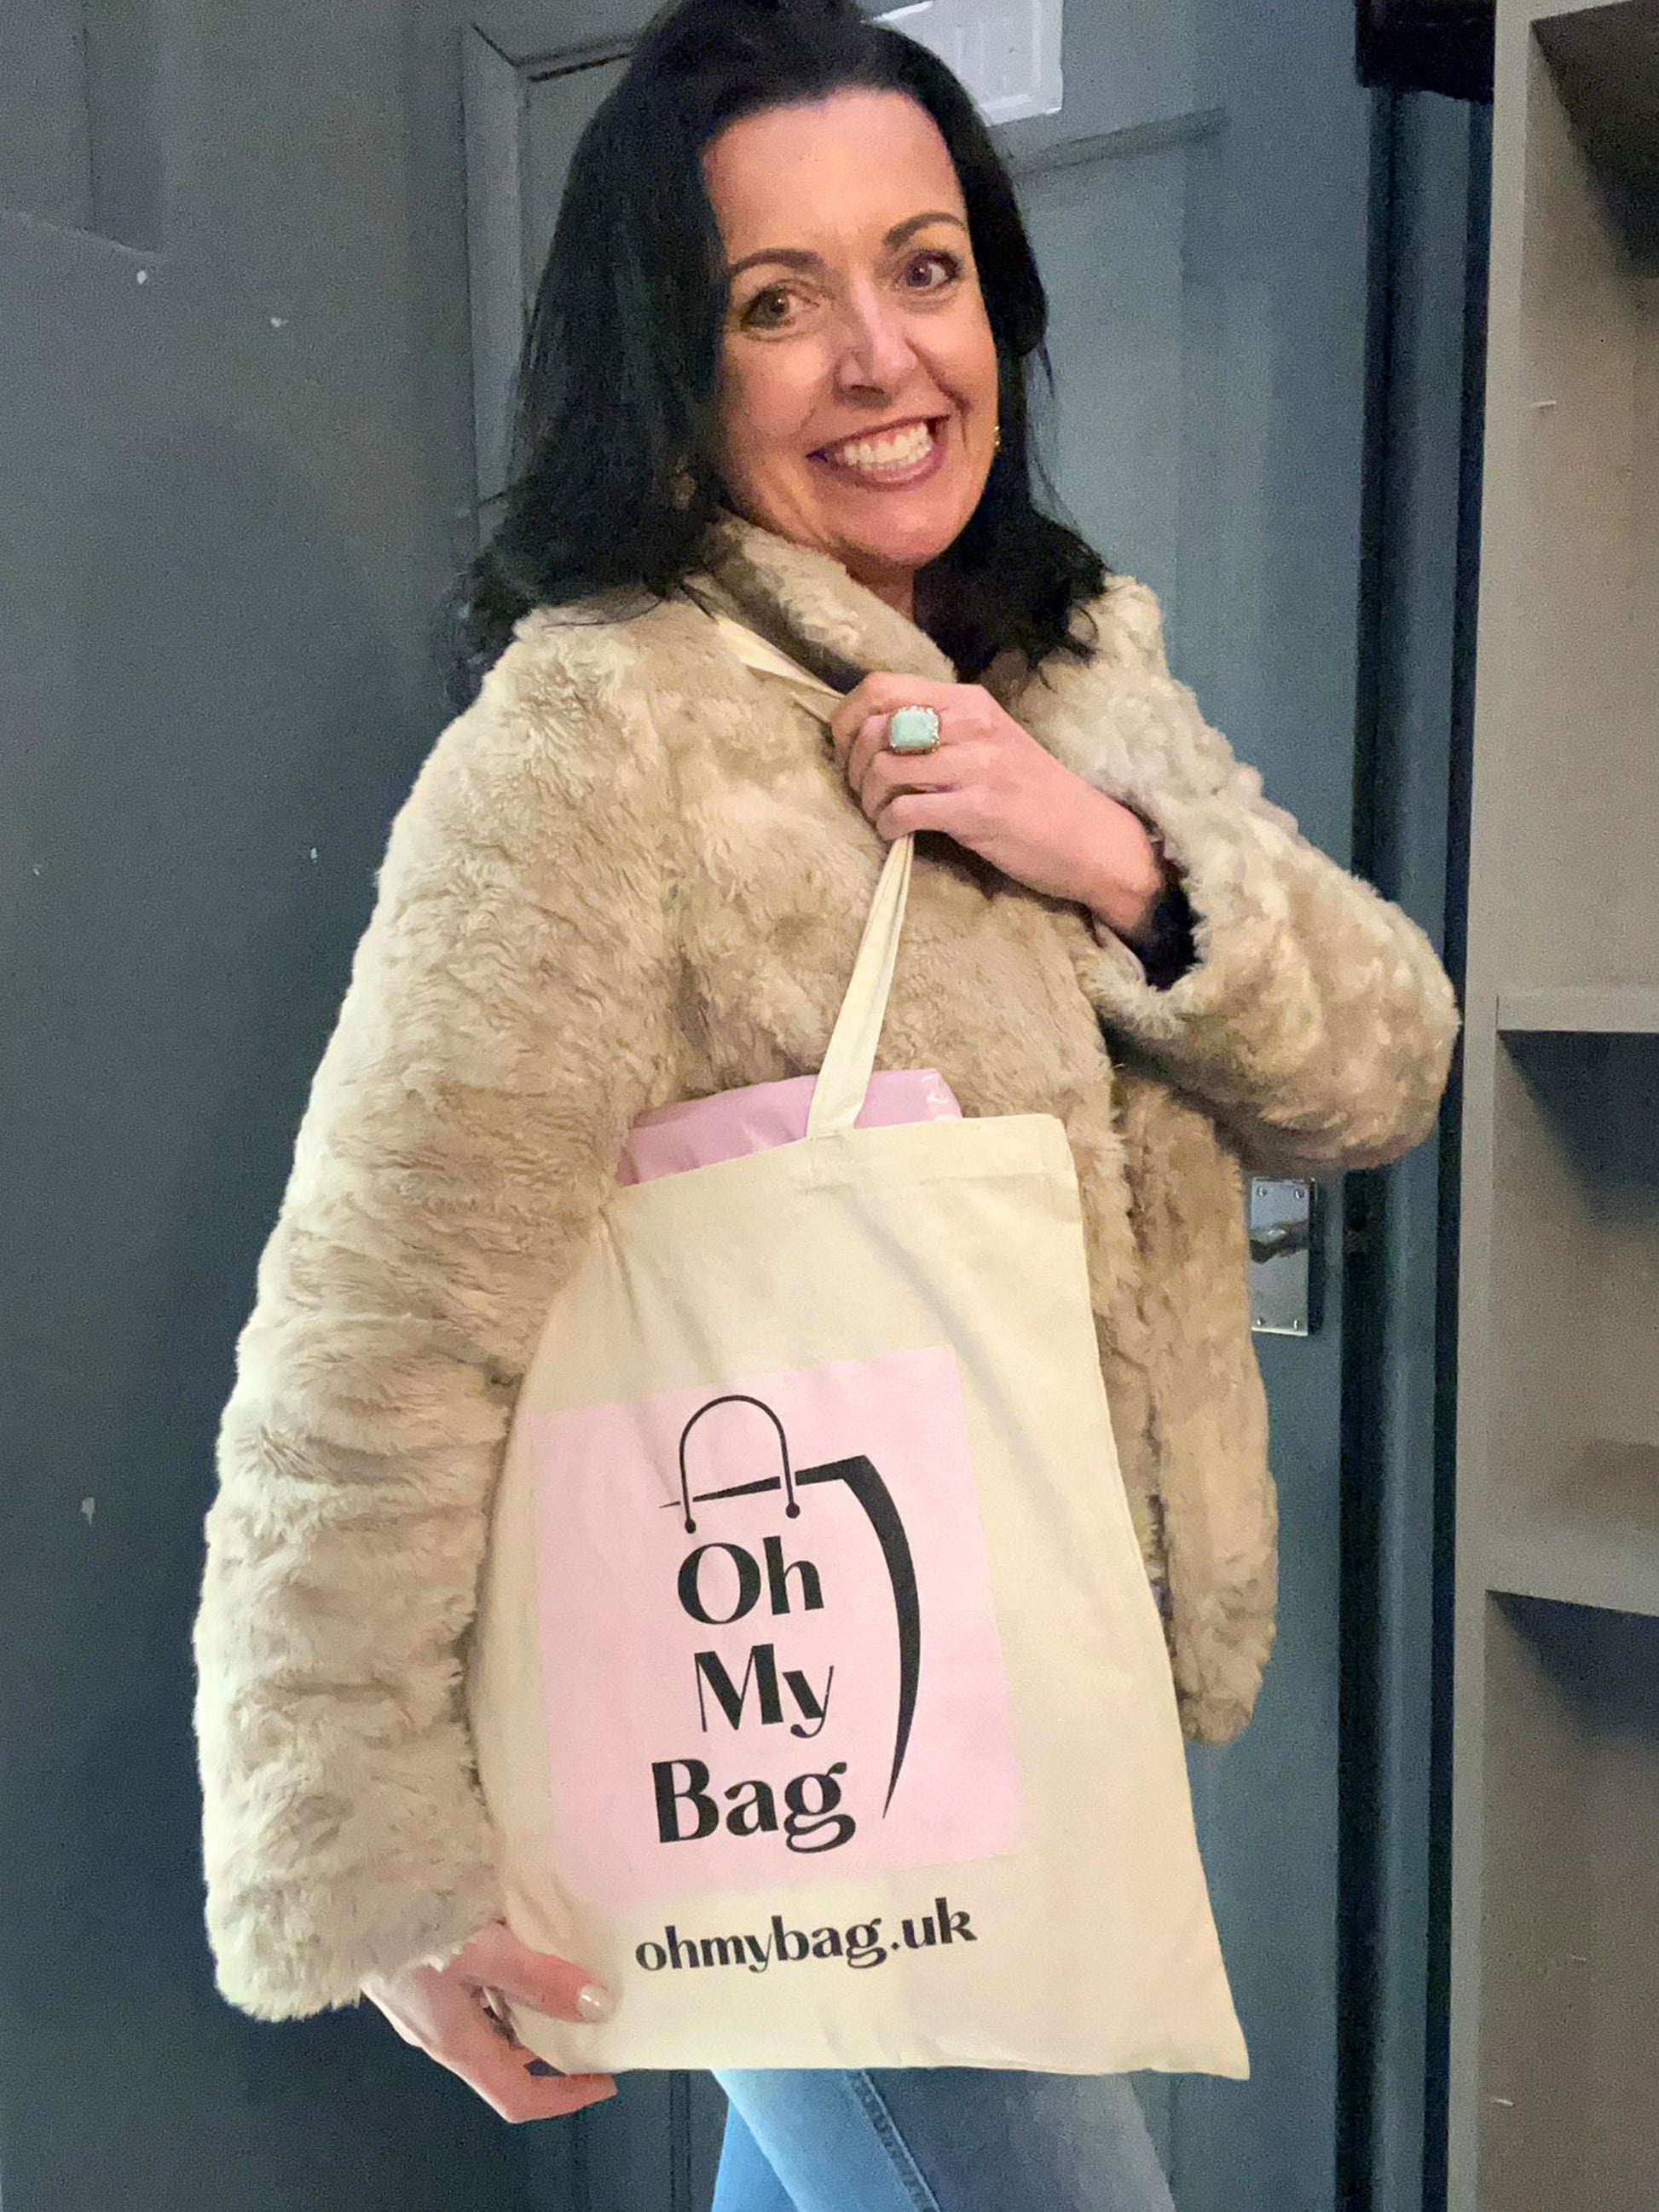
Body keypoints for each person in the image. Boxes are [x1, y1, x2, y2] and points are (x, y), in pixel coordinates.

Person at [192, 0, 1459, 2204]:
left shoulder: (1072, 667)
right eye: (778, 302)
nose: (883, 358)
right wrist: (366, 1850)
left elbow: (1385, 1063)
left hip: (1038, 1708)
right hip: (801, 1739)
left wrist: (1109, 856)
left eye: (925, 267)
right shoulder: (604, 739)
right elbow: (377, 1321)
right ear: (671, 363)